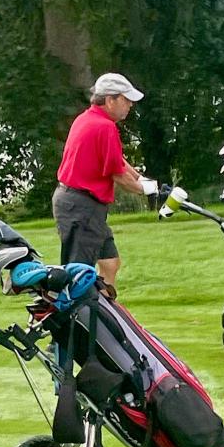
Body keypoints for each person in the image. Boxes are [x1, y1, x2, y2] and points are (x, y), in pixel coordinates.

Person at [53, 72, 157, 288]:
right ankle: (78, 318)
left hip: (80, 204)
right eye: (126, 99)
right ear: (110, 100)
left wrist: (141, 178)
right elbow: (117, 175)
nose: (130, 105)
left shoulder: (89, 119)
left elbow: (116, 161)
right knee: (79, 274)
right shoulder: (104, 127)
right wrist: (144, 190)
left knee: (110, 264)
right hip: (81, 206)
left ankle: (104, 312)